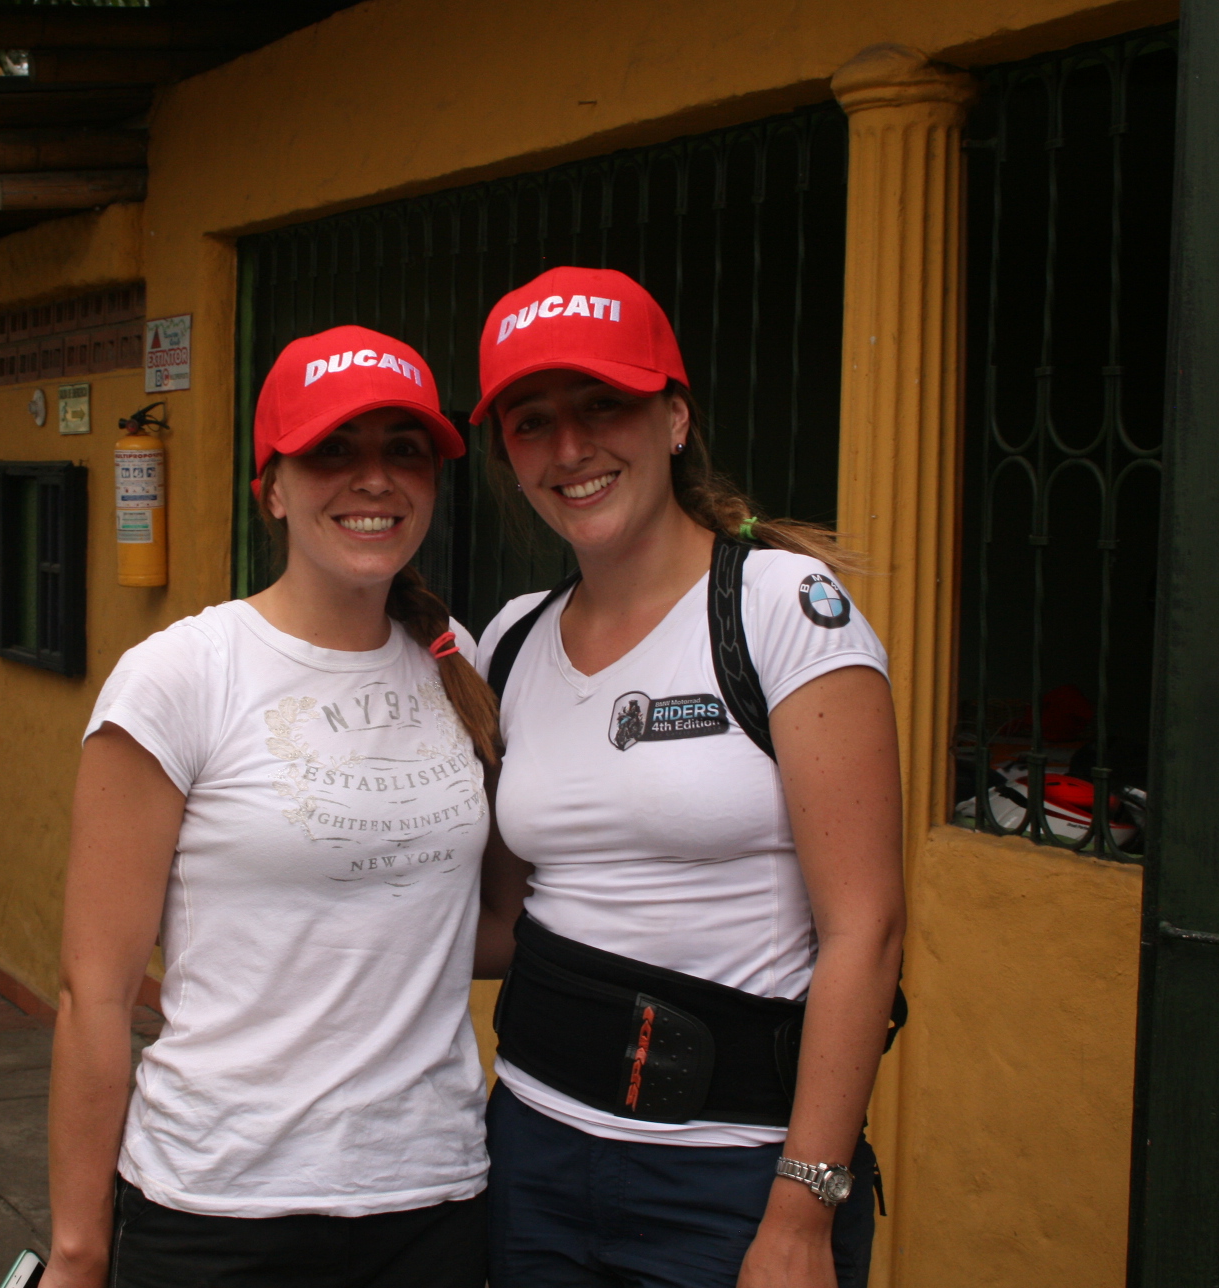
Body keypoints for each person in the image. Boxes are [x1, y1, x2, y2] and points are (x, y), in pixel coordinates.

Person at [470, 267, 905, 1288]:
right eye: (533, 423)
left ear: (673, 418)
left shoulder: (779, 608)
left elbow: (865, 930)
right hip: (528, 1151)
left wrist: (802, 1210)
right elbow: (495, 923)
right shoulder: (510, 640)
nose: (570, 448)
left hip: (732, 1181)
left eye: (603, 406)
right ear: (507, 454)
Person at [43, 325, 498, 1288]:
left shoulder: (453, 657)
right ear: (273, 490)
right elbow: (96, 990)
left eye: (403, 450)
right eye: (334, 449)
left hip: (433, 1197)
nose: (374, 479)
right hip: (221, 1203)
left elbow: (467, 923)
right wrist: (80, 1254)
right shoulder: (180, 676)